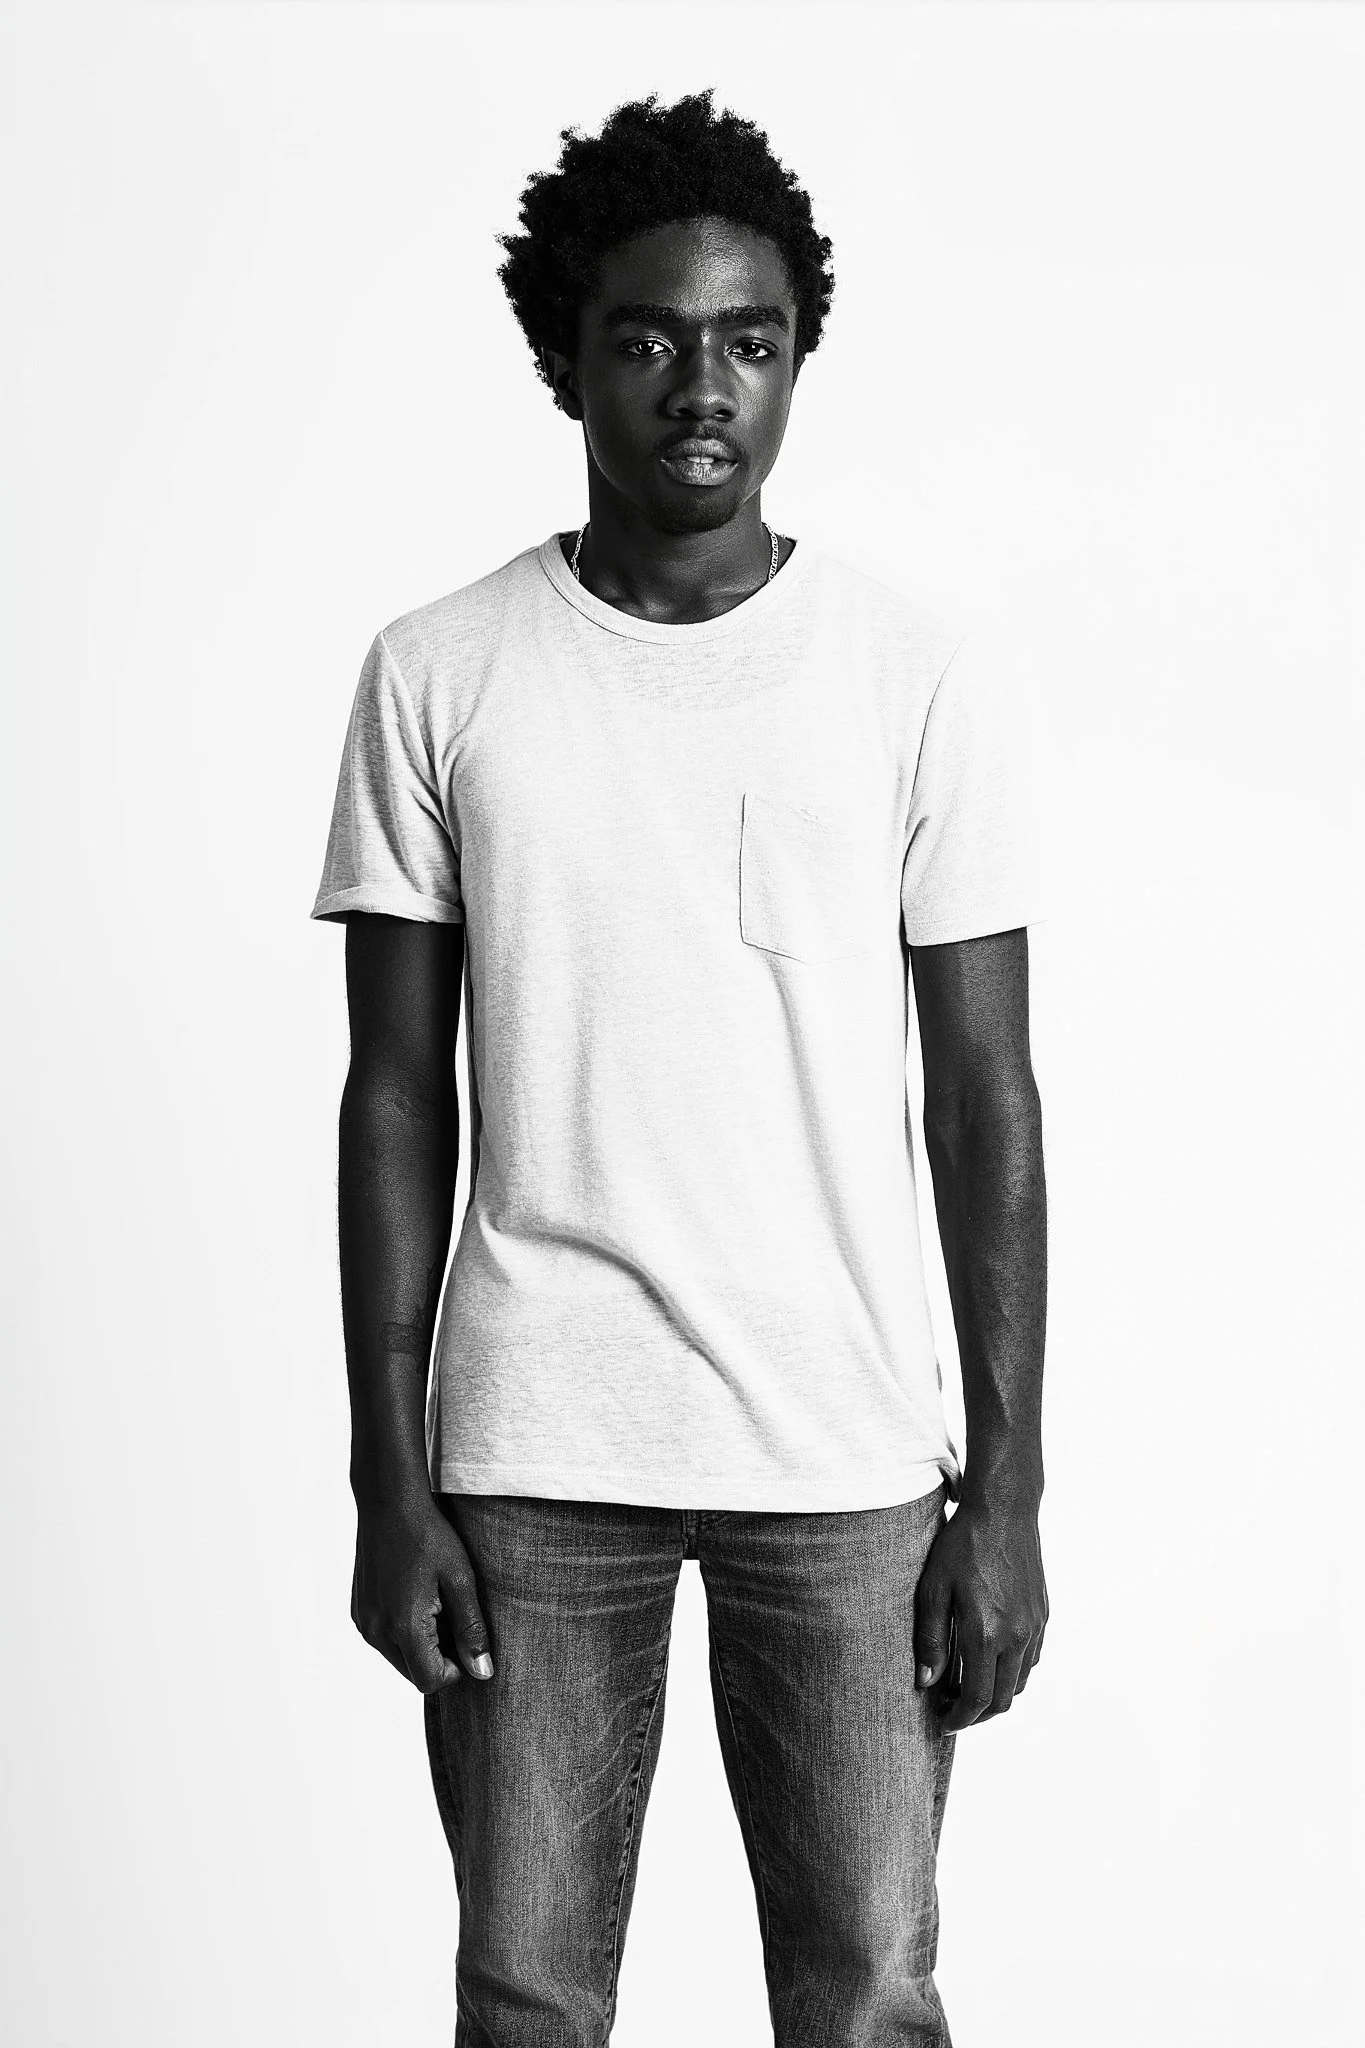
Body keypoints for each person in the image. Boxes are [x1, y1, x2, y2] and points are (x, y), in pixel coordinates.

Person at [310, 87, 1048, 2048]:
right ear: (567, 358)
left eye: (747, 338)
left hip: (847, 1458)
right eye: (644, 337)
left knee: (867, 2000)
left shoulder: (911, 670)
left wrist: (1012, 1491)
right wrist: (391, 1480)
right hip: (531, 1458)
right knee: (531, 2001)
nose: (696, 385)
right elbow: (393, 1095)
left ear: (799, 358)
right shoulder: (438, 670)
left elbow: (988, 1100)